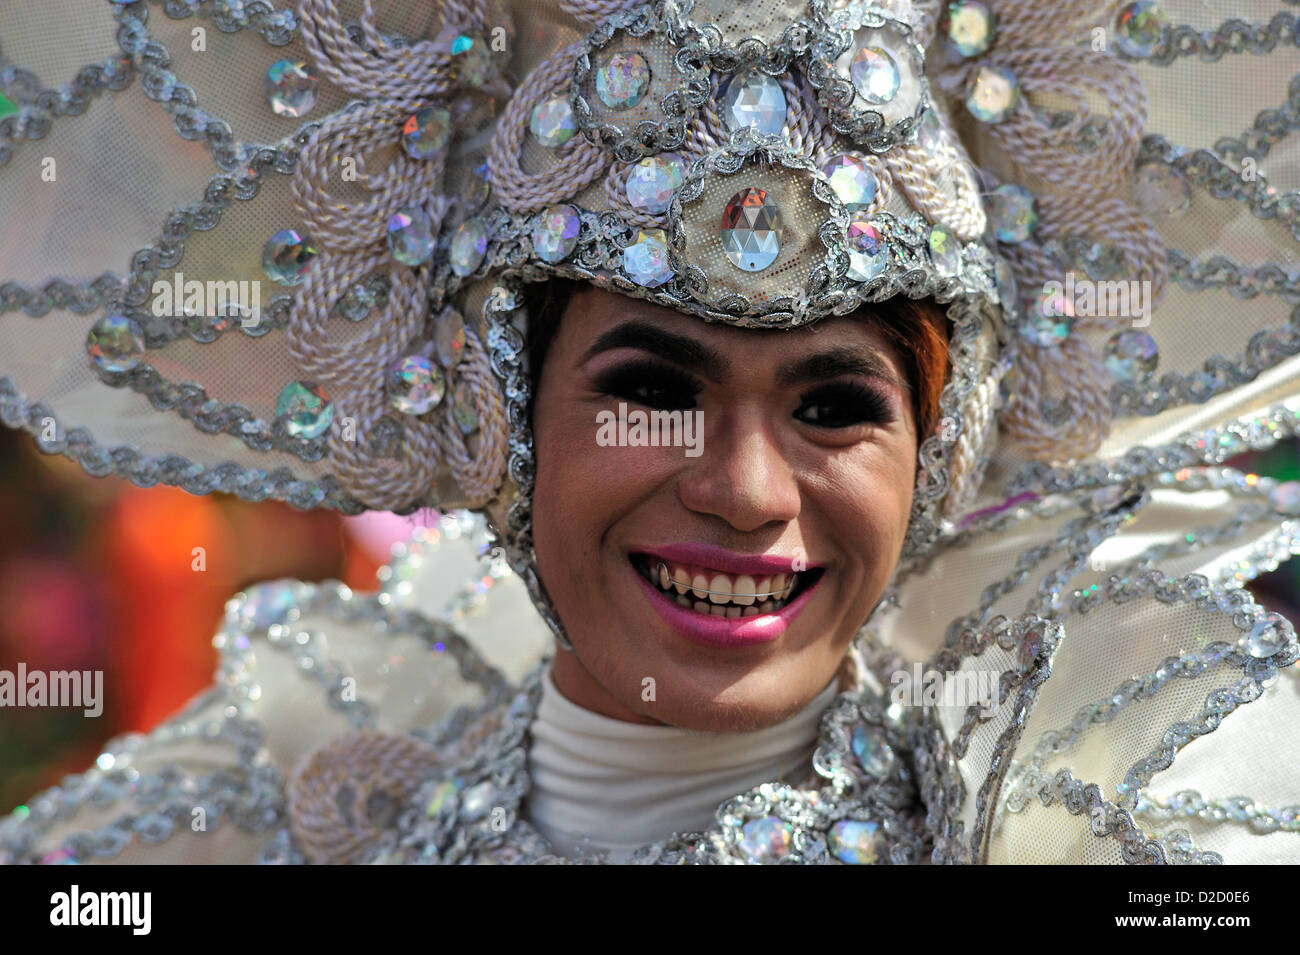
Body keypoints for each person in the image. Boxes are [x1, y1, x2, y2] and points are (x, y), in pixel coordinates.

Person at [1, 0, 1298, 864]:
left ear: (940, 455)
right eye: (653, 391)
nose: (744, 490)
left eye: (836, 408)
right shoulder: (239, 831)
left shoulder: (1128, 832)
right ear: (503, 417)